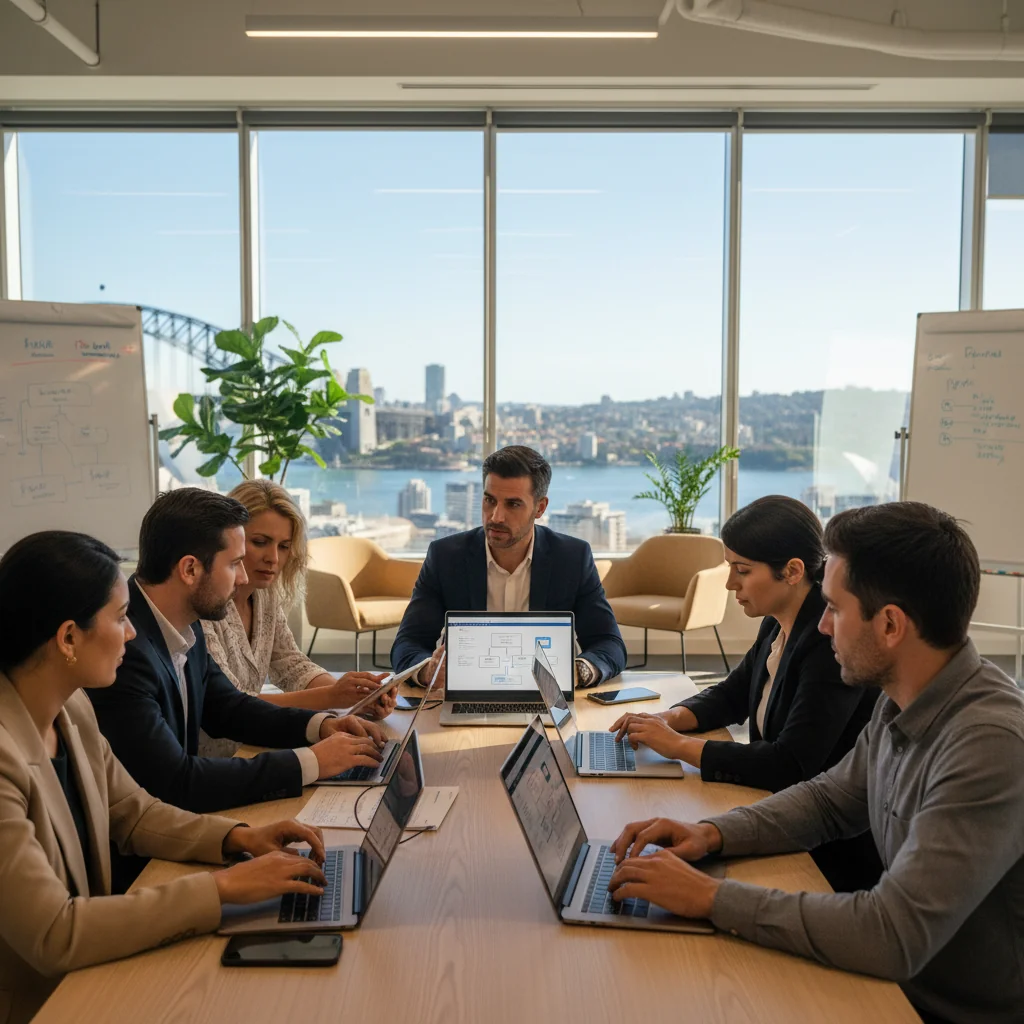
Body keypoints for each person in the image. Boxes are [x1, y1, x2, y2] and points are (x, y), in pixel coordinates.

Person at [605, 502, 1024, 1024]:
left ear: (890, 625)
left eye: (835, 609)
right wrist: (709, 833)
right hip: (886, 982)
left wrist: (711, 897)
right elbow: (828, 801)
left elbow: (891, 935)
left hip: (934, 1008)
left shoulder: (988, 745)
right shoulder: (903, 698)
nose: (822, 627)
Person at [0, 532, 334, 1024]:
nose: (132, 633)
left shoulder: (72, 708)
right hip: (42, 1005)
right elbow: (55, 931)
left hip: (94, 974)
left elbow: (133, 813)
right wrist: (221, 889)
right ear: (68, 637)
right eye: (120, 618)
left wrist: (239, 837)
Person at [610, 495, 880, 890]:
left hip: (823, 854)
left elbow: (789, 763)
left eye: (742, 570)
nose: (730, 583)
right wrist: (667, 720)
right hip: (775, 815)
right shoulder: (778, 620)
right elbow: (732, 694)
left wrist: (679, 746)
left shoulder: (828, 644)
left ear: (792, 571)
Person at [88, 487, 388, 819]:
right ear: (190, 570)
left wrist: (322, 725)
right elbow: (176, 782)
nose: (243, 577)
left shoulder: (184, 621)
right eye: (234, 564)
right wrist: (312, 761)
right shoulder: (125, 652)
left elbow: (228, 707)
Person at [391, 445, 626, 689]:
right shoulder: (445, 556)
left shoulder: (572, 557)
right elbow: (408, 643)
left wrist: (576, 672)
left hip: (546, 695)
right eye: (489, 500)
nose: (496, 517)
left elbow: (609, 644)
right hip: (468, 692)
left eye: (513, 504)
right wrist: (427, 671)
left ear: (540, 508)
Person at [199, 479, 396, 757]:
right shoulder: (205, 606)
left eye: (284, 546)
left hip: (253, 746)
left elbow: (292, 664)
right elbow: (232, 706)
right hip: (211, 759)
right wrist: (332, 696)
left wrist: (357, 695)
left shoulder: (265, 595)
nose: (273, 558)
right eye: (260, 542)